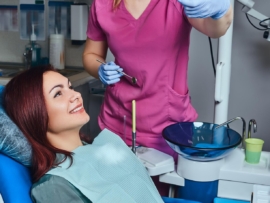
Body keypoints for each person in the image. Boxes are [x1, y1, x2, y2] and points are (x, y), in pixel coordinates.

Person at [82, 0, 233, 194]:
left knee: (163, 194)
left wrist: (222, 12)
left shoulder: (175, 3)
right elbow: (91, 53)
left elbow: (215, 29)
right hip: (118, 122)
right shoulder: (102, 4)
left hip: (167, 125)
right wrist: (100, 68)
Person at [4, 65, 164, 203]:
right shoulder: (54, 186)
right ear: (34, 114)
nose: (76, 95)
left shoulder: (100, 150)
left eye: (70, 87)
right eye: (58, 94)